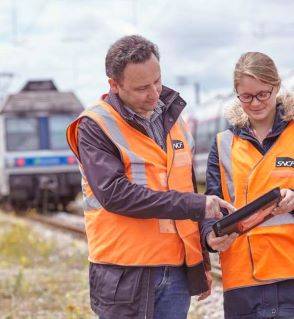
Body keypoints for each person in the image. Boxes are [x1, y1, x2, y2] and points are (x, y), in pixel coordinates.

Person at [66, 35, 234, 319]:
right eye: (142, 88)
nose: (155, 94)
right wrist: (197, 205)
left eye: (157, 81)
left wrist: (203, 251)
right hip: (125, 275)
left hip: (176, 272)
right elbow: (114, 194)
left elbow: (186, 187)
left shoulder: (175, 120)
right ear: (114, 85)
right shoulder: (96, 126)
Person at [203, 52, 294, 319]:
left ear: (276, 87)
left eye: (263, 94)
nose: (255, 103)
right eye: (246, 96)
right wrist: (210, 237)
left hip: (290, 274)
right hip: (242, 282)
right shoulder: (222, 145)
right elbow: (211, 206)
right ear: (237, 94)